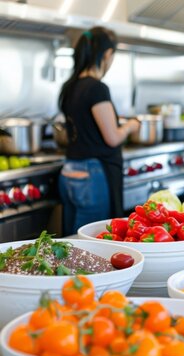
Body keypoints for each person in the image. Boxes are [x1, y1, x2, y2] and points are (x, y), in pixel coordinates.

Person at [58, 27, 140, 235]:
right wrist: (131, 126)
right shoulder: (96, 88)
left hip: (69, 171)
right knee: (94, 242)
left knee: (71, 241)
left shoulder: (70, 87)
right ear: (107, 54)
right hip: (93, 176)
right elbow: (112, 138)